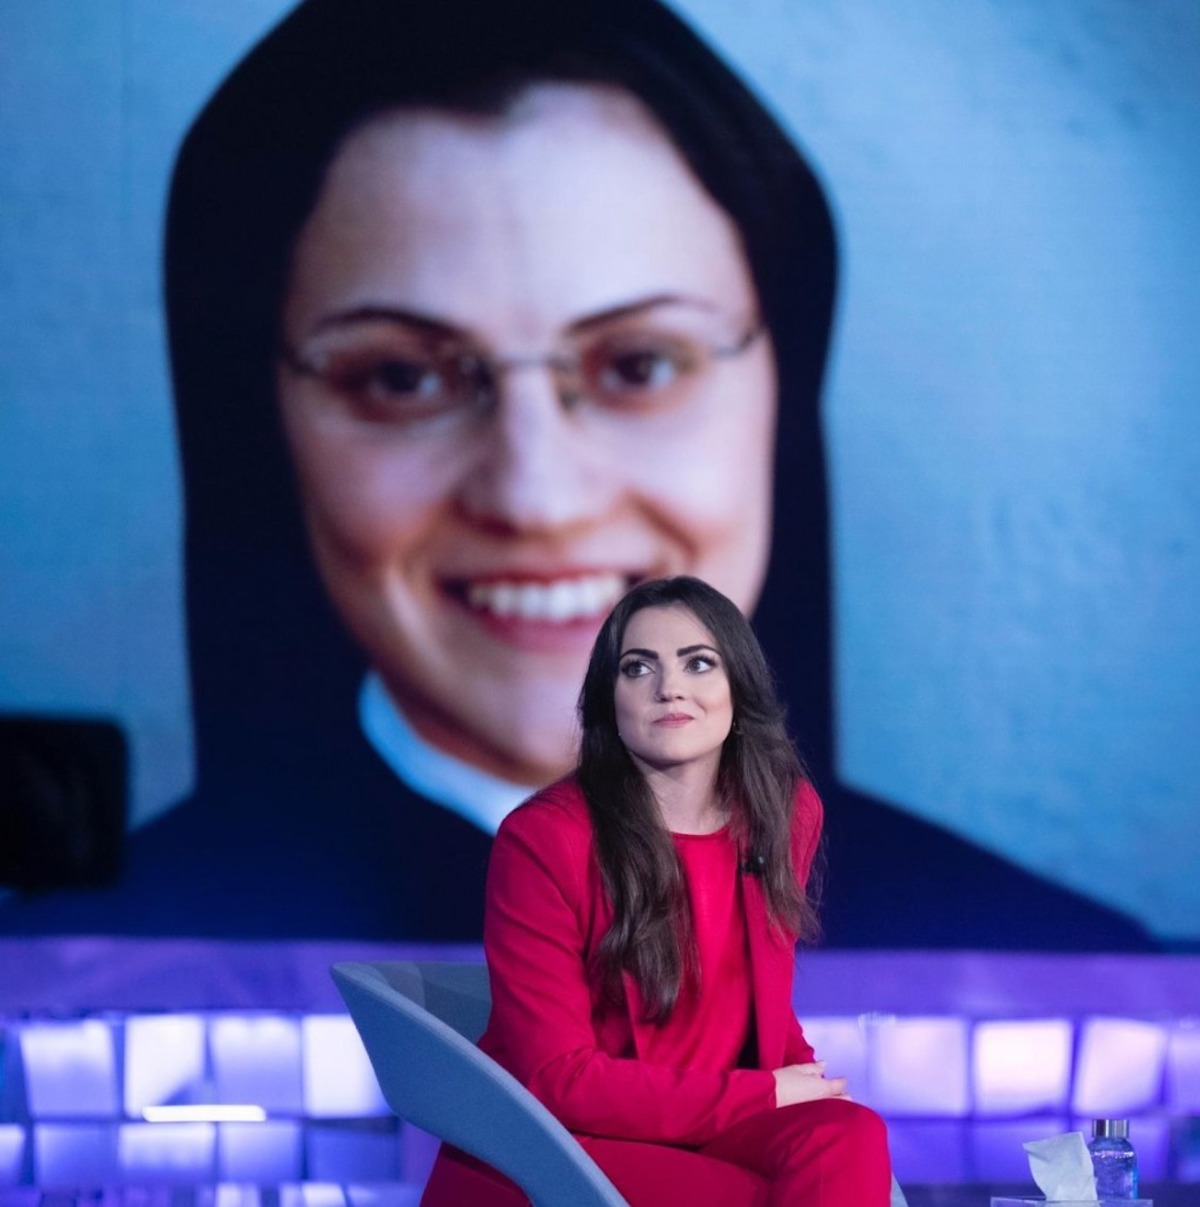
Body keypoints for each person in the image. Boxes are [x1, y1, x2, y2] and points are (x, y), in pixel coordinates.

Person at [0, 0, 1156, 949]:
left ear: (780, 393)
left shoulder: (1071, 986)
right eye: (402, 378)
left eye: (639, 364)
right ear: (267, 423)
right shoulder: (65, 989)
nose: (537, 499)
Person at [423, 576, 892, 1206]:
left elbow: (755, 1001)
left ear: (737, 688)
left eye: (698, 663)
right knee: (748, 1196)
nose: (668, 687)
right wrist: (767, 1093)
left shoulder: (786, 813)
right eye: (637, 669)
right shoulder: (545, 839)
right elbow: (558, 1081)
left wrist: (803, 1082)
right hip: (563, 1139)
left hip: (712, 1120)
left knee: (848, 1136)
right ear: (608, 701)